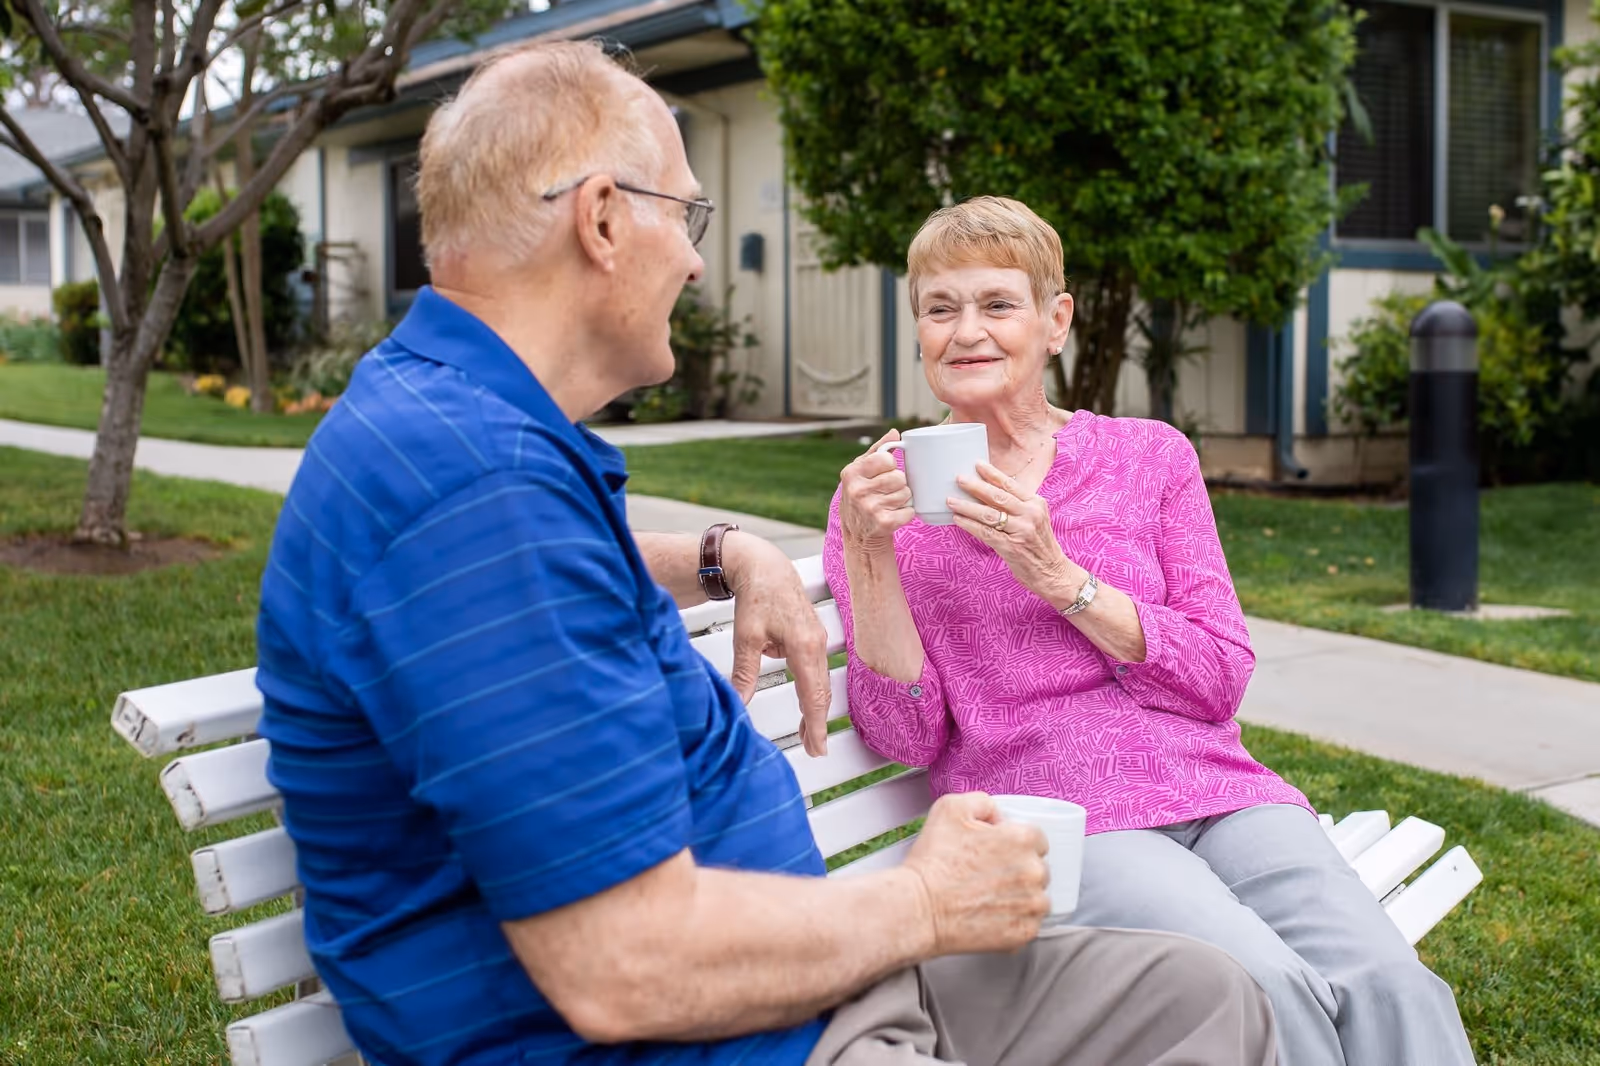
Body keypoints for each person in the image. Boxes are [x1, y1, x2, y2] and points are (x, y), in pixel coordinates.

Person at [254, 41, 1278, 1066]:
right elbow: (625, 965)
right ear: (604, 219)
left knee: (1201, 995)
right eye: (684, 215)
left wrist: (723, 554)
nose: (697, 259)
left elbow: (541, 562)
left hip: (803, 990)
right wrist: (924, 900)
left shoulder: (458, 422)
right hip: (739, 1040)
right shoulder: (472, 490)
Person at [825, 195, 1476, 1066]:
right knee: (1260, 987)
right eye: (940, 309)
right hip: (1056, 814)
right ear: (917, 330)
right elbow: (909, 734)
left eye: (997, 304)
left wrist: (1056, 575)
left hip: (1222, 793)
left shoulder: (1149, 456)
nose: (966, 331)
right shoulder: (878, 498)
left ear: (1055, 321)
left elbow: (1218, 673)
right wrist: (871, 550)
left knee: (1392, 983)